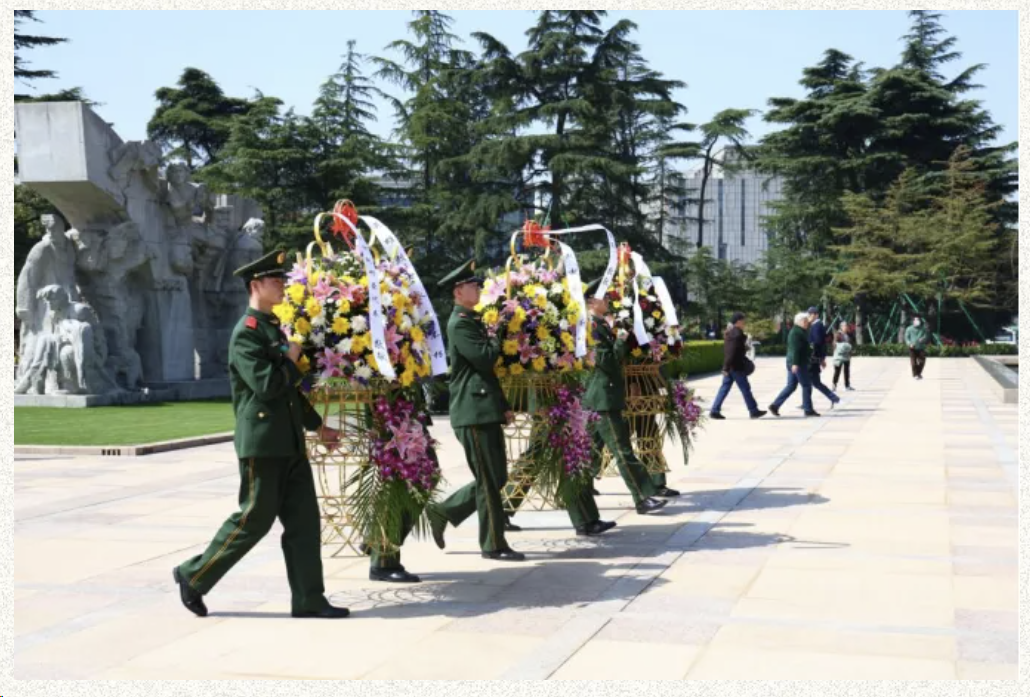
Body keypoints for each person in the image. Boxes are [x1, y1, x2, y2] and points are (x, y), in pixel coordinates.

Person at [172, 249, 350, 620]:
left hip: (289, 443)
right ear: (255, 285)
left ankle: (309, 599)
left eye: (282, 279)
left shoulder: (271, 328)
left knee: (304, 524)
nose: (282, 285)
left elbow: (289, 393)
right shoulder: (247, 333)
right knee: (253, 520)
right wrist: (291, 361)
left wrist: (318, 426)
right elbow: (268, 386)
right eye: (275, 280)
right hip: (264, 444)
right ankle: (194, 575)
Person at [426, 259, 525, 561]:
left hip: (484, 409)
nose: (478, 289)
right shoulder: (460, 323)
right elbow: (484, 359)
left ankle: (445, 511)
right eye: (472, 285)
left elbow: (487, 374)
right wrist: (497, 332)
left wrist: (503, 405)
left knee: (497, 477)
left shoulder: (472, 320)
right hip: (472, 412)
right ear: (458, 292)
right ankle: (493, 544)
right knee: (489, 481)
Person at [583, 277, 668, 515]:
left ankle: (578, 495)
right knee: (622, 450)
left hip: (603, 396)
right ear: (591, 302)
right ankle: (643, 496)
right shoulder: (593, 327)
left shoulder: (600, 325)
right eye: (603, 297)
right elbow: (607, 361)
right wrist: (621, 341)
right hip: (604, 398)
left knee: (590, 450)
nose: (608, 300)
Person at [709, 312, 766, 420]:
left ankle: (714, 410)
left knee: (725, 388)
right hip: (736, 367)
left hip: (732, 366)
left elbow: (734, 350)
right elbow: (731, 352)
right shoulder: (737, 334)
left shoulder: (731, 332)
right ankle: (753, 411)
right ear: (738, 321)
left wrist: (727, 367)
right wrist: (725, 368)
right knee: (745, 389)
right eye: (743, 320)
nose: (744, 322)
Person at [769, 312, 818, 417]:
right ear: (800, 321)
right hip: (798, 363)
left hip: (793, 362)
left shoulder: (800, 331)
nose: (807, 322)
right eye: (805, 321)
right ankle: (808, 409)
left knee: (791, 386)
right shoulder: (796, 332)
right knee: (806, 385)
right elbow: (796, 349)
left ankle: (775, 405)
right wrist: (795, 364)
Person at [805, 306, 841, 409]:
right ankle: (807, 403)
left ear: (816, 315)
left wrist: (819, 359)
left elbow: (817, 344)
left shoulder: (817, 326)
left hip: (812, 359)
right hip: (814, 359)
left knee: (812, 382)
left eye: (810, 314)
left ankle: (833, 398)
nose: (809, 316)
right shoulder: (816, 325)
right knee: (809, 382)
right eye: (808, 314)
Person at [832, 321, 855, 391]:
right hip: (839, 356)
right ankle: (834, 385)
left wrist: (850, 352)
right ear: (841, 327)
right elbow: (834, 344)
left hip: (846, 356)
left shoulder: (848, 334)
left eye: (847, 326)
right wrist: (843, 347)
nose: (846, 327)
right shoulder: (838, 334)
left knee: (847, 371)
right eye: (844, 326)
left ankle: (847, 386)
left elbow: (850, 344)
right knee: (837, 371)